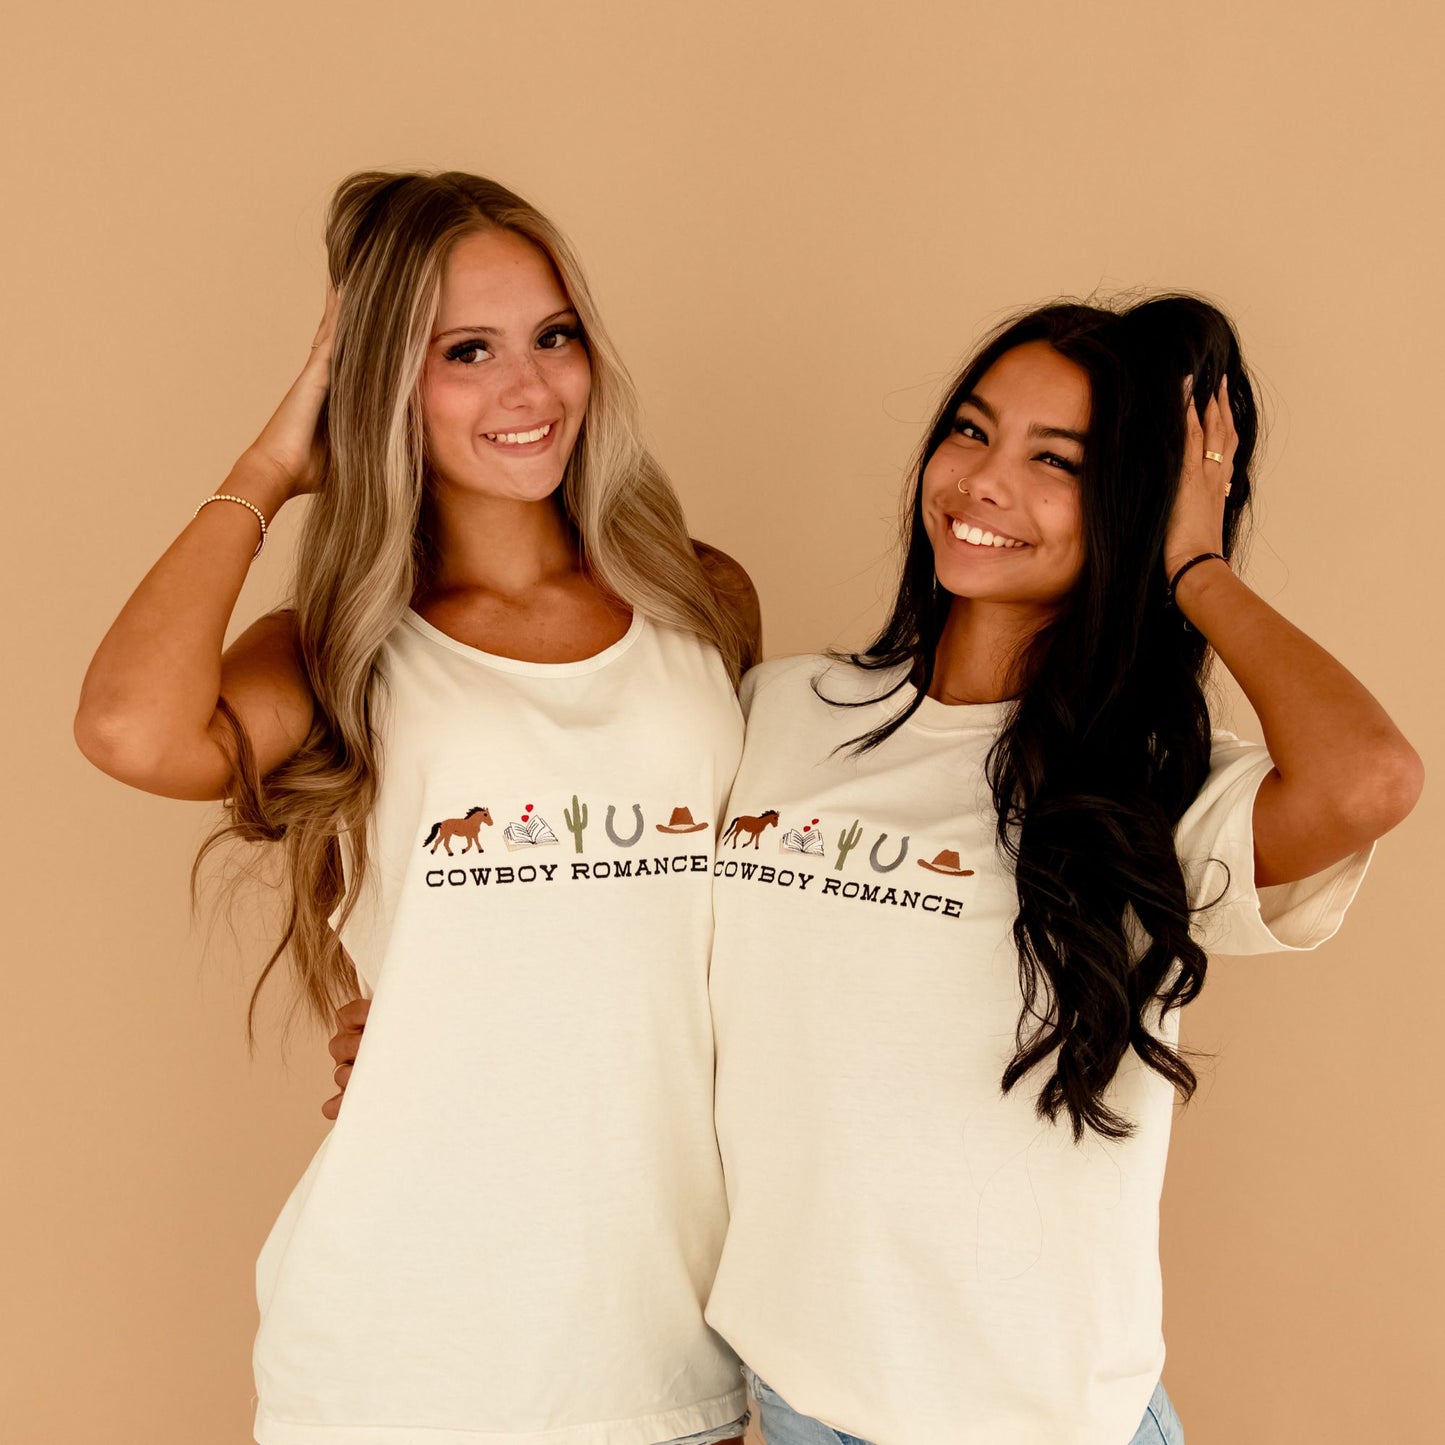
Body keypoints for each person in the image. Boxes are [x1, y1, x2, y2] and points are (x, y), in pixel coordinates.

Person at [74, 170, 758, 1445]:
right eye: (465, 351)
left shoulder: (698, 597)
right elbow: (128, 727)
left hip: (661, 1319)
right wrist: (274, 460)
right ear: (383, 380)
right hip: (404, 1344)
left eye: (555, 336)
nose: (529, 388)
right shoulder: (338, 649)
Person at [698, 298, 1422, 1444]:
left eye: (1057, 462)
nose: (984, 480)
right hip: (796, 1393)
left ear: (1128, 508)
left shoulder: (1149, 785)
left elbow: (1366, 777)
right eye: (971, 430)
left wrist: (1189, 563)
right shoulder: (780, 710)